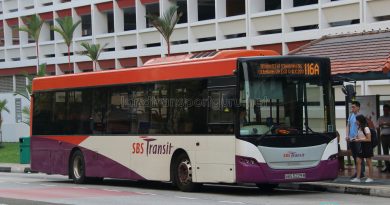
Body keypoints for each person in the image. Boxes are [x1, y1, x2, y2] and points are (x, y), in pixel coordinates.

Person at [351, 115, 374, 183]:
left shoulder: (366, 128)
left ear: (360, 121)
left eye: (357, 120)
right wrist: (354, 139)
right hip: (361, 146)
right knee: (358, 161)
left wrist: (359, 140)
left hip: (367, 146)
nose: (356, 121)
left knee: (368, 162)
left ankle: (370, 177)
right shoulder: (359, 128)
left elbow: (369, 139)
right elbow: (359, 137)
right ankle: (358, 178)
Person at [346, 101, 365, 179]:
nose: (352, 108)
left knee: (359, 156)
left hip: (358, 140)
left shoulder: (360, 116)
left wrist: (358, 137)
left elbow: (362, 127)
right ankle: (358, 171)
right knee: (354, 156)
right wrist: (347, 136)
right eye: (352, 107)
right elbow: (348, 126)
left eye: (353, 107)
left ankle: (361, 172)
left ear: (358, 107)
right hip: (351, 139)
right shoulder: (350, 116)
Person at [378, 104, 390, 172]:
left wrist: (386, 124)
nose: (385, 111)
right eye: (384, 110)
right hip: (383, 136)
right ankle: (387, 167)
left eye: (386, 110)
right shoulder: (380, 118)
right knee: (385, 152)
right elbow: (377, 126)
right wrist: (380, 125)